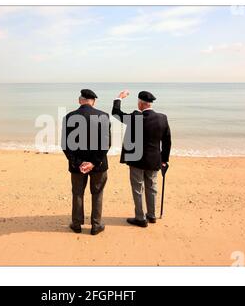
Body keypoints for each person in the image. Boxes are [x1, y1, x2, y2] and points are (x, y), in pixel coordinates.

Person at [112, 90, 171, 227]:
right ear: (150, 104)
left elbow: (116, 113)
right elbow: (167, 141)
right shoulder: (162, 118)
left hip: (136, 159)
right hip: (154, 159)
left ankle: (140, 217)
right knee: (152, 187)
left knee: (138, 188)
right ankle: (151, 215)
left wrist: (119, 98)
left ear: (141, 104)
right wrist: (164, 159)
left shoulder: (135, 117)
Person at [61, 89, 111, 235]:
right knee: (97, 193)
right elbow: (106, 144)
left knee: (77, 193)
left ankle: (76, 224)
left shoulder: (69, 117)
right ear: (93, 101)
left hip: (77, 165)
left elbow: (65, 145)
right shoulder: (103, 116)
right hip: (99, 165)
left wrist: (78, 163)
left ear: (79, 100)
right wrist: (93, 163)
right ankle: (96, 225)